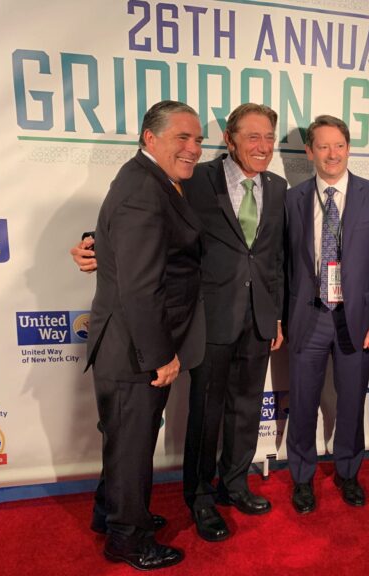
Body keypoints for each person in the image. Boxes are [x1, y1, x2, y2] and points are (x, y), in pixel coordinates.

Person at [72, 103, 287, 543]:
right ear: (230, 140)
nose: (262, 146)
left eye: (269, 137)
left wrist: (277, 313)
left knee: (247, 408)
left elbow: (275, 257)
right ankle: (200, 498)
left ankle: (235, 484)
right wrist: (92, 243)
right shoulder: (193, 177)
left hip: (260, 319)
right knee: (205, 415)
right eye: (252, 136)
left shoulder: (279, 187)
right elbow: (140, 223)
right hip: (207, 319)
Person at [85, 100, 205, 570]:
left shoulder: (152, 180)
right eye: (183, 137)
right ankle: (128, 540)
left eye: (197, 139)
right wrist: (160, 355)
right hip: (134, 350)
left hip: (129, 345)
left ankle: (112, 514)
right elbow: (139, 287)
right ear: (150, 138)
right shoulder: (142, 188)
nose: (193, 148)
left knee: (124, 441)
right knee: (133, 447)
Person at [283, 115, 369, 513]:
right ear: (309, 151)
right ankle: (302, 477)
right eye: (323, 146)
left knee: (351, 402)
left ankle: (348, 472)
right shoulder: (293, 199)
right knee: (302, 403)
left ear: (348, 149)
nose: (332, 154)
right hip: (309, 317)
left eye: (339, 146)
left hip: (358, 319)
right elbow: (282, 264)